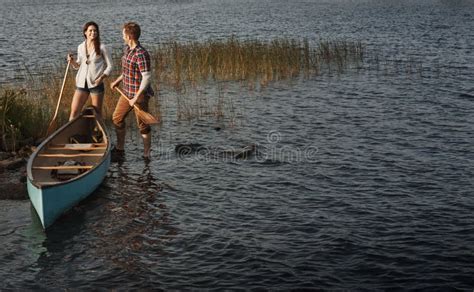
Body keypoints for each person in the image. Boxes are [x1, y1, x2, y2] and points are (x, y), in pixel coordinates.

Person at [110, 22, 154, 159]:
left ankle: (146, 154)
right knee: (117, 118)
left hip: (139, 95)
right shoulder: (127, 49)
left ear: (129, 36)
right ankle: (120, 148)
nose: (122, 36)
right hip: (126, 92)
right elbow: (127, 71)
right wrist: (117, 81)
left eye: (123, 34)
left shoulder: (141, 53)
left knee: (142, 125)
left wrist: (136, 97)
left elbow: (147, 77)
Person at [67, 21, 113, 120]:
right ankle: (72, 134)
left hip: (96, 84)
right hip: (81, 83)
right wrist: (72, 62)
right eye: (90, 30)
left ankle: (99, 134)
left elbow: (110, 66)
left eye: (95, 31)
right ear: (85, 32)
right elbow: (78, 66)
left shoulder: (102, 47)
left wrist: (101, 78)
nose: (93, 33)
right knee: (74, 112)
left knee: (97, 113)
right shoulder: (80, 47)